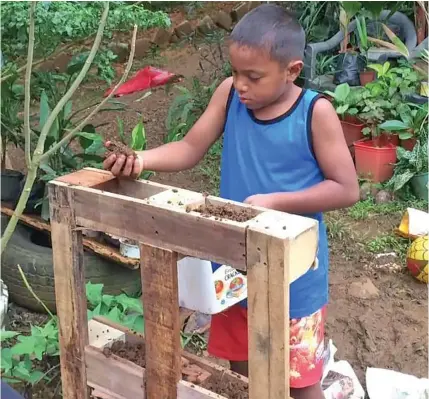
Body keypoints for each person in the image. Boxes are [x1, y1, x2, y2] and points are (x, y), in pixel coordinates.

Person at [103, 4, 359, 398]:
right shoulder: (230, 96)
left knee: (299, 384)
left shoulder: (314, 113)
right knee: (244, 376)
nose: (240, 84)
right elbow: (190, 147)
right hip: (234, 267)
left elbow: (346, 188)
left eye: (253, 77)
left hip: (295, 276)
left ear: (291, 70)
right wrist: (140, 160)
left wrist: (275, 202)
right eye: (236, 72)